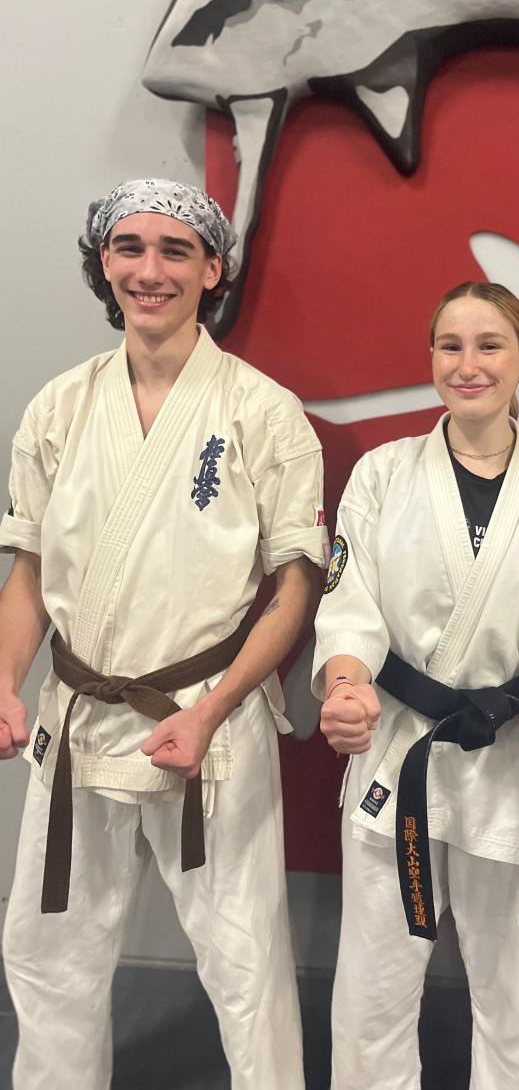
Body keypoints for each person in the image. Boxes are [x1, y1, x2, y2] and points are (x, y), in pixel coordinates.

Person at [0, 179, 329, 1090]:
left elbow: (295, 589)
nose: (150, 271)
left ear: (213, 268)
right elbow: (26, 571)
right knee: (46, 952)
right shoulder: (58, 408)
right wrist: (5, 679)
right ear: (104, 264)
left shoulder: (264, 411)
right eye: (130, 249)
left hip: (206, 720)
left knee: (244, 962)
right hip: (77, 717)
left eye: (175, 250)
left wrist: (216, 709)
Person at [314, 281, 519, 1090]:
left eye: (489, 346)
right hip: (399, 749)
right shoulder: (382, 475)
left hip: (517, 759)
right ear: (431, 358)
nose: (468, 364)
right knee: (374, 992)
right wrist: (345, 686)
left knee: (518, 997)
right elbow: (351, 606)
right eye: (451, 346)